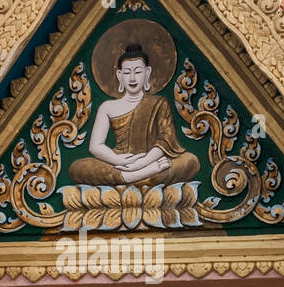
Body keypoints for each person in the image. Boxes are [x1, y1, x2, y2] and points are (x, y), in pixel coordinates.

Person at [69, 43, 199, 187]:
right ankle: (138, 175)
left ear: (147, 73)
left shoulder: (159, 103)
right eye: (126, 73)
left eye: (137, 72)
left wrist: (143, 162)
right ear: (119, 75)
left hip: (150, 160)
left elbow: (165, 140)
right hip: (121, 164)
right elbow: (95, 147)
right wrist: (119, 160)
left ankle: (132, 176)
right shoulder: (107, 107)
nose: (132, 78)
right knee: (78, 168)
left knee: (190, 160)